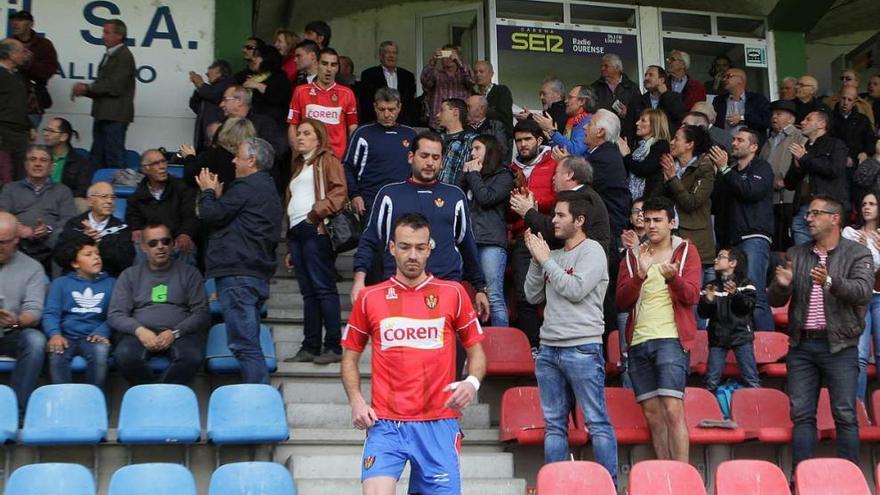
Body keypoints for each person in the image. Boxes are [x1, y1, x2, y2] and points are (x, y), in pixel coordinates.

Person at [341, 213, 486, 495]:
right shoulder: (370, 297)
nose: (413, 255)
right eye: (405, 246)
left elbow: (476, 350)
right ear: (392, 248)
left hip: (439, 424)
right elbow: (349, 357)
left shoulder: (453, 293)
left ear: (430, 248)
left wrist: (472, 382)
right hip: (386, 424)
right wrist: (357, 401)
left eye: (420, 248)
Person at [769, 195, 873, 472]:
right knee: (802, 416)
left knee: (845, 415)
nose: (808, 218)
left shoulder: (857, 253)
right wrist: (781, 286)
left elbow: (862, 292)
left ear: (835, 219)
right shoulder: (796, 253)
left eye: (816, 213)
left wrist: (829, 281)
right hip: (802, 345)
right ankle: (801, 479)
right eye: (809, 214)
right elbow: (775, 301)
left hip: (840, 344)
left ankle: (848, 479)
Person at [524, 198, 618, 483]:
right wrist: (535, 259)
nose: (553, 220)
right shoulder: (553, 255)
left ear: (579, 221)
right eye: (554, 215)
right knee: (553, 426)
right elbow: (532, 295)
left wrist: (546, 261)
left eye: (560, 215)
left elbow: (575, 289)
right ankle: (555, 486)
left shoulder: (593, 251)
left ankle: (609, 486)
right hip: (549, 348)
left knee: (596, 422)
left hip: (582, 346)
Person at [350, 132, 489, 318]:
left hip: (445, 287)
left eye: (436, 157)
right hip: (399, 287)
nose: (430, 162)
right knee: (400, 346)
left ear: (442, 161)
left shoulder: (455, 196)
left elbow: (467, 245)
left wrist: (480, 287)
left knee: (444, 346)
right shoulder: (389, 194)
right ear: (410, 157)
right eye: (424, 156)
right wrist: (359, 280)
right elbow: (370, 239)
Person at [617, 195, 702, 462]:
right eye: (647, 220)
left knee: (672, 408)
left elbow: (691, 296)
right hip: (639, 341)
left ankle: (681, 478)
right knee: (653, 414)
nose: (652, 225)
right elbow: (620, 301)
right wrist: (640, 276)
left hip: (671, 339)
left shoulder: (686, 251)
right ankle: (664, 477)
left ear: (671, 223)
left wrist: (672, 278)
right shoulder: (632, 257)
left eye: (658, 220)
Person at [196, 137, 281, 383]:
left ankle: (260, 402)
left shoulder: (246, 187)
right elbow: (232, 220)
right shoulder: (266, 188)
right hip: (252, 274)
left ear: (252, 161)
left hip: (238, 276)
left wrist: (208, 193)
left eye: (239, 155)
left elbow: (211, 215)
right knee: (248, 343)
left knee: (244, 345)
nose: (233, 160)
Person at [108, 224, 210, 385]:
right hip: (140, 334)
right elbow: (115, 314)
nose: (160, 246)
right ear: (143, 247)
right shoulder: (129, 275)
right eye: (153, 243)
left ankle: (161, 397)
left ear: (172, 244)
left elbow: (201, 312)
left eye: (165, 241)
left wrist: (175, 333)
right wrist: (140, 331)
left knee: (192, 357)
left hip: (180, 334)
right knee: (124, 355)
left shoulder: (190, 273)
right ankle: (151, 397)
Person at [284, 119, 347, 364]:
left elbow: (339, 192)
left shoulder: (327, 160)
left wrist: (314, 214)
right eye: (298, 133)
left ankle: (333, 346)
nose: (300, 137)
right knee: (309, 293)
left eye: (306, 133)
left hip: (315, 229)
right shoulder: (299, 164)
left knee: (323, 289)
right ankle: (310, 346)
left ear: (318, 138)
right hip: (298, 233)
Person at [710, 128, 775, 332]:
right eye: (734, 140)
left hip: (754, 237)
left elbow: (750, 192)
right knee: (734, 294)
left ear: (754, 147)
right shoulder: (729, 171)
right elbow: (717, 205)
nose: (734, 143)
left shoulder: (762, 167)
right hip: (732, 241)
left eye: (740, 140)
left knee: (754, 293)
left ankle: (767, 344)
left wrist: (725, 170)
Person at [508, 119, 558, 351]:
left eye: (527, 139)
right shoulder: (511, 169)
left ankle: (554, 345)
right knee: (524, 294)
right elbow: (507, 213)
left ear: (539, 140)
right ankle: (534, 349)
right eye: (518, 141)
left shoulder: (555, 163)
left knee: (557, 292)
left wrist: (532, 206)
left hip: (552, 236)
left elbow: (562, 199)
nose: (523, 145)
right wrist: (516, 206)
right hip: (522, 238)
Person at [43, 237, 114, 388]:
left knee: (100, 352)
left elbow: (116, 314)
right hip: (66, 337)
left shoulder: (112, 283)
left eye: (97, 254)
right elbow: (51, 313)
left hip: (94, 337)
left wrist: (103, 331)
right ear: (75, 263)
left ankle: (95, 403)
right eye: (88, 255)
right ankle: (63, 402)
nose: (96, 257)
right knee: (56, 355)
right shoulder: (61, 283)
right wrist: (55, 334)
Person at [461, 134, 514, 327]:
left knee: (494, 295)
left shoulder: (503, 175)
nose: (472, 153)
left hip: (490, 241)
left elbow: (486, 198)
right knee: (467, 295)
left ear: (489, 151)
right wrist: (467, 175)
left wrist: (473, 175)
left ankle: (502, 347)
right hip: (467, 241)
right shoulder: (472, 175)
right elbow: (458, 199)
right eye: (471, 149)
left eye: (477, 149)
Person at [70, 19, 135, 169]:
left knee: (113, 156)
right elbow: (105, 86)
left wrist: (87, 88)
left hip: (114, 116)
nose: (102, 36)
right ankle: (96, 189)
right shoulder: (112, 54)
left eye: (106, 32)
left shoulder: (124, 56)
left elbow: (114, 86)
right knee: (98, 156)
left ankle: (117, 191)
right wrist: (86, 91)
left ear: (119, 35)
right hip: (105, 114)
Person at [0, 145, 76, 271]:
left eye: (43, 160)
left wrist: (49, 229)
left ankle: (54, 287)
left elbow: (69, 219)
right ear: (25, 164)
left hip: (51, 244)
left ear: (51, 167)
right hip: (18, 241)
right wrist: (19, 228)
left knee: (62, 238)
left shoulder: (62, 190)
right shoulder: (10, 188)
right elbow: (2, 214)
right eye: (33, 159)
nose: (37, 164)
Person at [344, 88, 416, 219]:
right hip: (370, 200)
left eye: (391, 109)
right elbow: (348, 166)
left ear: (400, 107)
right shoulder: (362, 133)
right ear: (375, 107)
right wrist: (355, 195)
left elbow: (418, 169)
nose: (387, 114)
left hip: (404, 199)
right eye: (382, 109)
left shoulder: (410, 134)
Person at [0, 211, 46, 414]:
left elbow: (34, 311)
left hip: (10, 332)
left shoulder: (32, 267)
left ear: (16, 239)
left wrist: (17, 321)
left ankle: (15, 412)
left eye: (3, 242)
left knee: (35, 341)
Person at [699, 246, 761, 392]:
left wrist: (735, 295)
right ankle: (710, 410)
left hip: (741, 335)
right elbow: (703, 313)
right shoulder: (710, 286)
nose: (715, 259)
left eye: (720, 257)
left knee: (751, 379)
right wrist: (708, 300)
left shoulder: (745, 283)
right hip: (718, 336)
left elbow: (748, 308)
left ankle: (758, 410)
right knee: (711, 381)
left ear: (733, 263)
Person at [520, 155, 611, 255]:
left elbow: (558, 230)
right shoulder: (579, 194)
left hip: (582, 263)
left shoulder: (583, 197)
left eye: (556, 173)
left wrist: (528, 212)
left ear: (569, 175)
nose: (553, 178)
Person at [785, 111, 850, 245]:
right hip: (803, 208)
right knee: (803, 259)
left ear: (822, 124)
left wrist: (804, 158)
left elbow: (834, 170)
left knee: (828, 253)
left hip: (827, 209)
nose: (802, 122)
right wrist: (797, 166)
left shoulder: (836, 145)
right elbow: (789, 184)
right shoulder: (804, 147)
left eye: (808, 119)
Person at [127, 150, 198, 267]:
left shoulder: (181, 187)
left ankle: (185, 284)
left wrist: (185, 233)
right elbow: (134, 220)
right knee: (138, 243)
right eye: (156, 163)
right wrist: (136, 229)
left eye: (163, 161)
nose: (162, 167)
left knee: (186, 244)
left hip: (176, 240)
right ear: (145, 169)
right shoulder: (137, 197)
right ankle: (142, 283)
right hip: (152, 242)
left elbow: (190, 215)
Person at [841, 191, 880, 402]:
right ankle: (859, 408)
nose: (867, 207)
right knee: (860, 356)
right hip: (860, 300)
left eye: (872, 203)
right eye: (864, 203)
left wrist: (868, 253)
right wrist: (868, 251)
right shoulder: (851, 233)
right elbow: (856, 267)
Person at [660, 125, 715, 270]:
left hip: (695, 241)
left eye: (676, 139)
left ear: (690, 144)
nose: (671, 142)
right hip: (671, 238)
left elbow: (692, 202)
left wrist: (672, 179)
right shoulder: (671, 166)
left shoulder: (704, 168)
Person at [287, 47, 358, 159]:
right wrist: (297, 153)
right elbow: (293, 125)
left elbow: (353, 128)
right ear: (317, 64)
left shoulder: (347, 93)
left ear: (337, 68)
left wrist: (349, 158)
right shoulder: (300, 91)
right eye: (325, 64)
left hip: (336, 159)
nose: (329, 69)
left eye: (333, 65)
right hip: (308, 157)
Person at [57, 181, 134, 278]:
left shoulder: (123, 228)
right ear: (90, 201)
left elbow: (126, 262)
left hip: (108, 281)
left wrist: (100, 242)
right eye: (104, 197)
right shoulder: (74, 224)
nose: (110, 201)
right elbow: (60, 257)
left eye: (112, 197)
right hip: (75, 280)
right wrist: (82, 239)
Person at [760, 100, 806, 251]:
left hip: (788, 196)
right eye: (773, 114)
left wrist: (787, 181)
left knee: (786, 237)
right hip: (768, 196)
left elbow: (802, 164)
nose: (774, 117)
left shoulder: (799, 136)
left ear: (791, 119)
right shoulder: (769, 139)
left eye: (779, 114)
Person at [583, 109, 631, 251]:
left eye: (590, 124)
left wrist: (566, 164)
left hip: (605, 234)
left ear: (600, 132)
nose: (585, 127)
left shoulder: (602, 158)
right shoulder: (606, 153)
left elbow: (580, 185)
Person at [9, 10, 57, 128]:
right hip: (8, 101)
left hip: (32, 103)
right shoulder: (7, 44)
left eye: (20, 20)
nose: (15, 23)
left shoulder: (44, 45)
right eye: (13, 20)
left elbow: (49, 71)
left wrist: (29, 63)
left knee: (27, 139)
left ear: (31, 24)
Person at [182, 117, 256, 189]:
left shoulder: (213, 156)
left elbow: (191, 177)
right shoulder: (253, 159)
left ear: (225, 132)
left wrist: (189, 157)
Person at [216, 85, 288, 157]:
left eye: (225, 99)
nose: (221, 104)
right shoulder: (224, 125)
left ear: (239, 101)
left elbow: (278, 149)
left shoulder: (264, 123)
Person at [358, 41, 417, 126]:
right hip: (376, 123)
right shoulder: (369, 74)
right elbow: (366, 102)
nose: (391, 56)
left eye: (394, 53)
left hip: (402, 123)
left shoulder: (407, 76)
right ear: (380, 56)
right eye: (387, 53)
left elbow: (410, 103)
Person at [619, 108, 672, 200]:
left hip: (647, 198)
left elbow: (644, 169)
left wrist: (627, 156)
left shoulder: (661, 145)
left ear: (655, 125)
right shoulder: (639, 145)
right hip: (629, 195)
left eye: (643, 120)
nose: (637, 123)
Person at [42, 117, 93, 208]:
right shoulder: (38, 157)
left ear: (64, 137)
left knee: (81, 204)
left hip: (65, 202)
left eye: (51, 131)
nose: (46, 134)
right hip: (38, 199)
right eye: (45, 130)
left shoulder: (80, 162)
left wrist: (58, 195)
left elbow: (82, 190)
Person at [0, 38, 32, 182]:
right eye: (22, 51)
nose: (25, 55)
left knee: (21, 174)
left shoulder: (17, 75)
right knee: (5, 174)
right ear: (10, 54)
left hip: (20, 133)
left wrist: (29, 125)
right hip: (3, 132)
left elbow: (20, 105)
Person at [238, 44, 292, 127]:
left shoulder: (279, 77)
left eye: (257, 56)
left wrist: (259, 86)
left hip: (273, 125)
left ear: (267, 58)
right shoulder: (253, 76)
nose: (253, 59)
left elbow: (281, 98)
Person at [534, 84, 595, 158]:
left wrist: (551, 131)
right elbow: (561, 149)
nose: (565, 101)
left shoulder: (589, 122)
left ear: (582, 101)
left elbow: (575, 151)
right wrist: (550, 139)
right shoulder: (572, 120)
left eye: (570, 97)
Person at [591, 53, 641, 143]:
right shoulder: (595, 87)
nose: (602, 68)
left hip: (625, 136)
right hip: (602, 134)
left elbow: (640, 111)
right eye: (601, 66)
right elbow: (591, 110)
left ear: (617, 68)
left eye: (606, 66)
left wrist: (628, 113)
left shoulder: (632, 87)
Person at [420, 45, 473, 129]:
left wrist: (459, 62)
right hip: (437, 123)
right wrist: (433, 61)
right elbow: (425, 82)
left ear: (458, 56)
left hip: (460, 124)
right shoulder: (436, 74)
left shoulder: (464, 73)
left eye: (451, 55)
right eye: (445, 55)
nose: (448, 58)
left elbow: (472, 82)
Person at [188, 60, 235, 151]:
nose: (206, 74)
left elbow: (212, 94)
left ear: (219, 72)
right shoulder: (209, 88)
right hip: (205, 137)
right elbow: (195, 106)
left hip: (219, 136)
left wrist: (200, 83)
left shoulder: (228, 84)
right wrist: (198, 88)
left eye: (211, 68)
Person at [711, 68, 770, 138]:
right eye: (723, 77)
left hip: (751, 146)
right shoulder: (719, 101)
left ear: (740, 80)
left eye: (728, 76)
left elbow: (767, 121)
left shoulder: (757, 99)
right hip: (724, 145)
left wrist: (742, 119)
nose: (724, 79)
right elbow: (712, 124)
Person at [830, 85, 876, 167]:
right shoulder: (829, 119)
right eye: (843, 98)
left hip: (858, 162)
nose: (845, 103)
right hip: (835, 162)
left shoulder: (863, 120)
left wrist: (866, 153)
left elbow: (871, 141)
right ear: (839, 98)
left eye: (849, 100)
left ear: (855, 102)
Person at [436, 98, 477, 186]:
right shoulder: (435, 138)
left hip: (455, 193)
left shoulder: (471, 140)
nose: (437, 115)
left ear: (455, 112)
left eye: (442, 110)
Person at [473, 60, 513, 137]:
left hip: (500, 138)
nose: (478, 75)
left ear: (491, 74)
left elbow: (504, 116)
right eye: (475, 72)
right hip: (479, 139)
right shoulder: (473, 95)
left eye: (481, 72)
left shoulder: (501, 91)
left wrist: (480, 111)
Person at [638, 65, 685, 129]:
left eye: (650, 75)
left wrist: (665, 94)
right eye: (646, 75)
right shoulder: (638, 100)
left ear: (662, 80)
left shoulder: (675, 97)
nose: (646, 78)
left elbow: (678, 116)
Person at [466, 95, 508, 159]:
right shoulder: (463, 127)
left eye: (469, 107)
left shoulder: (495, 126)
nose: (466, 110)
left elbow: (502, 150)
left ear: (482, 109)